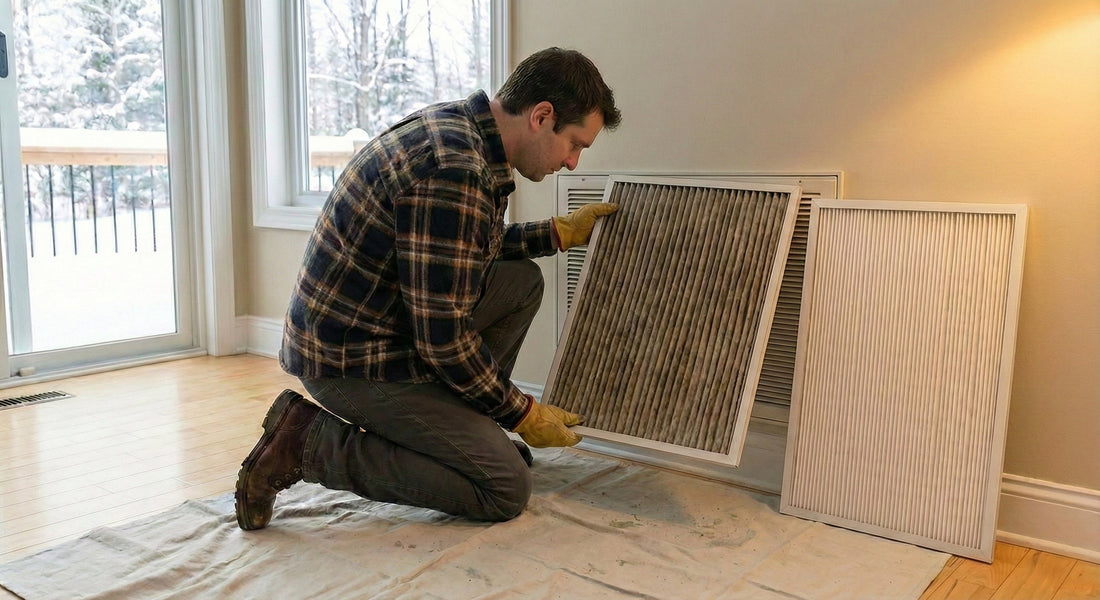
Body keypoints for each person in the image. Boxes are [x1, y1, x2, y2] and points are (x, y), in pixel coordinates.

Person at [235, 47, 622, 530]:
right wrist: (520, 413)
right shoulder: (454, 169)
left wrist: (557, 233)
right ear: (542, 116)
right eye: (575, 144)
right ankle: (306, 443)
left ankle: (461, 433)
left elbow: (459, 250)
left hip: (385, 325)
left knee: (521, 280)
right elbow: (444, 339)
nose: (573, 163)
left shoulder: (462, 129)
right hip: (350, 361)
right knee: (504, 487)